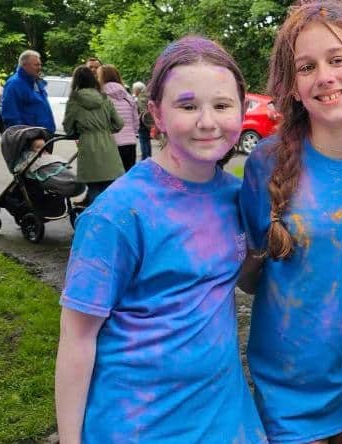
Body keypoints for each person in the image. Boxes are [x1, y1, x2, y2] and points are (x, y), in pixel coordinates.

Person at [55, 36, 265, 443]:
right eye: (187, 106)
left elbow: (241, 279)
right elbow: (77, 338)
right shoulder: (117, 215)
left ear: (241, 110)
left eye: (222, 105)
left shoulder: (236, 196)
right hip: (139, 425)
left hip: (225, 418)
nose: (207, 121)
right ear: (157, 115)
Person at [237, 1, 342, 442]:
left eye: (337, 59)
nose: (325, 76)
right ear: (292, 87)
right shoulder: (265, 163)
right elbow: (252, 275)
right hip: (285, 383)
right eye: (306, 67)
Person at [61, 66, 124, 204]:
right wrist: (105, 129)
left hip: (88, 147)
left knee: (94, 188)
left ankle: (96, 221)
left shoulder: (75, 100)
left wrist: (79, 131)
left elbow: (68, 127)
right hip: (108, 146)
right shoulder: (104, 98)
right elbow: (119, 124)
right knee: (110, 189)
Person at [2, 50, 55, 133]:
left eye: (40, 65)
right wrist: (27, 136)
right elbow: (11, 115)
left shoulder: (36, 82)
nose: (39, 68)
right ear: (25, 66)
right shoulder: (14, 84)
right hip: (30, 139)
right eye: (36, 65)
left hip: (44, 135)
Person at [99, 64, 140, 171]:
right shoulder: (128, 97)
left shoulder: (100, 97)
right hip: (129, 143)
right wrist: (131, 134)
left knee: (109, 179)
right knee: (126, 178)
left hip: (110, 144)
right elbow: (136, 122)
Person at [131, 82, 153, 160]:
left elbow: (139, 111)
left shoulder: (139, 98)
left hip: (142, 122)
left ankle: (145, 158)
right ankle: (149, 157)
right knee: (147, 140)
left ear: (138, 90)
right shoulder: (148, 96)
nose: (133, 91)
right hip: (149, 121)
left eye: (134, 89)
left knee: (143, 140)